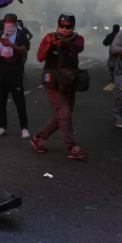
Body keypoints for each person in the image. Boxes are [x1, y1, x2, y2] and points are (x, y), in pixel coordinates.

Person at [29, 13, 88, 159]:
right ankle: (72, 146)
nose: (64, 29)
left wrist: (64, 42)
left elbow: (78, 48)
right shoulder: (49, 38)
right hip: (52, 82)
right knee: (64, 113)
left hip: (69, 81)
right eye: (61, 25)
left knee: (62, 115)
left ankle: (38, 138)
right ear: (57, 25)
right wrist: (49, 43)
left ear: (72, 27)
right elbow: (40, 57)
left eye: (68, 26)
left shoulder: (77, 39)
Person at [0, 14, 30, 138]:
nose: (8, 24)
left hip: (15, 69)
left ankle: (24, 128)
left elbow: (24, 49)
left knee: (19, 101)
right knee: (1, 101)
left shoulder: (20, 33)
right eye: (6, 22)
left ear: (14, 22)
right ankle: (2, 126)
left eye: (10, 22)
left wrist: (11, 45)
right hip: (1, 69)